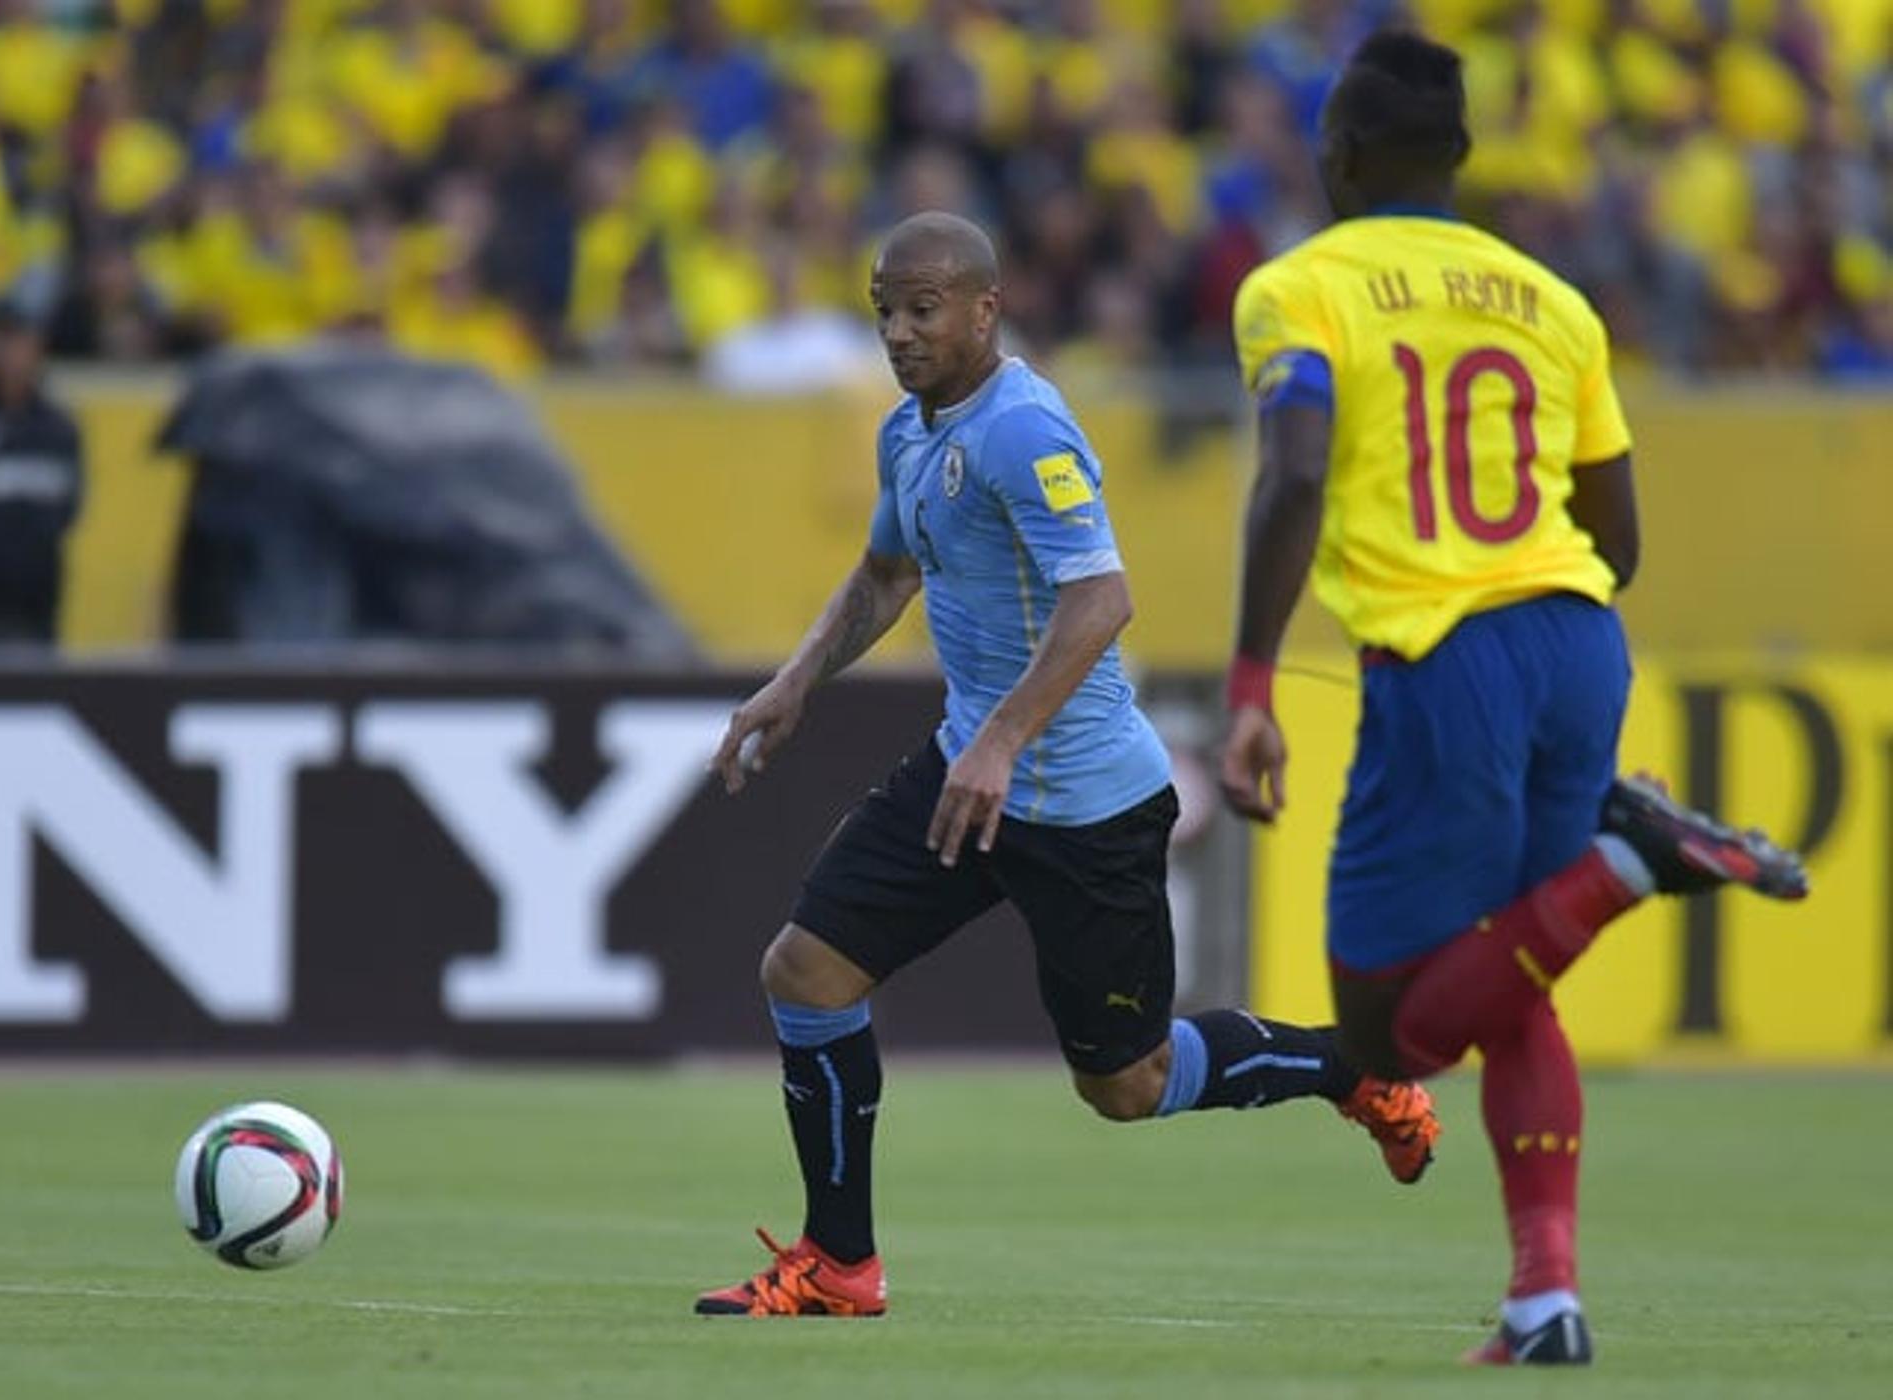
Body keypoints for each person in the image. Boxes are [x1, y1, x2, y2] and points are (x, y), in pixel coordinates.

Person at [698, 210, 1441, 1318]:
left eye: (924, 307)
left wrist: (1002, 737)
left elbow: (1104, 598)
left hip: (1085, 802)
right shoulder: (910, 432)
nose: (900, 332)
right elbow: (885, 575)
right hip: (969, 779)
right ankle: (841, 1263)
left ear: (985, 310)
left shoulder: (1023, 428)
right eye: (885, 311)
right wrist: (797, 680)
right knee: (804, 972)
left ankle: (1354, 1068)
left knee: (1127, 1084)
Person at [1219, 31, 1808, 1366]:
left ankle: (1623, 860)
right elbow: (1622, 533)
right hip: (1579, 640)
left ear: (1341, 157)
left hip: (1446, 660)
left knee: (1389, 1034)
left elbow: (1296, 471)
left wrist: (1253, 681)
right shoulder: (1554, 301)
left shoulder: (1298, 288)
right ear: (1464, 159)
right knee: (1515, 981)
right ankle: (1546, 1302)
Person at [0, 298, 84, 643]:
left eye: (17, 339)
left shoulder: (57, 427)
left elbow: (70, 507)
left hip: (35, 601)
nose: (7, 352)